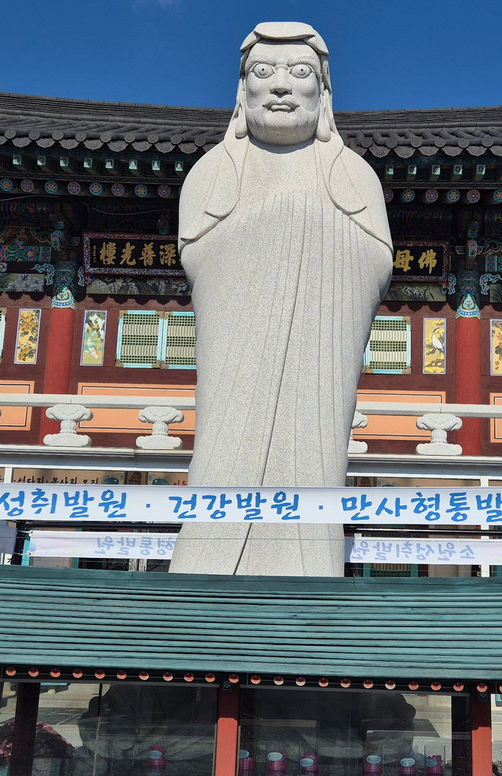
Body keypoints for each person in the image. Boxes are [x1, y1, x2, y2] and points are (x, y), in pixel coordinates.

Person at [168, 22, 393, 576]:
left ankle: (310, 566)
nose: (281, 85)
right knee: (222, 441)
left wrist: (311, 237)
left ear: (324, 90)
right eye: (264, 72)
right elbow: (197, 257)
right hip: (238, 350)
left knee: (315, 449)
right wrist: (276, 229)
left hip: (318, 353)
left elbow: (375, 263)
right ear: (242, 89)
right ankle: (206, 565)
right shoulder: (214, 170)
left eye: (300, 72)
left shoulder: (353, 173)